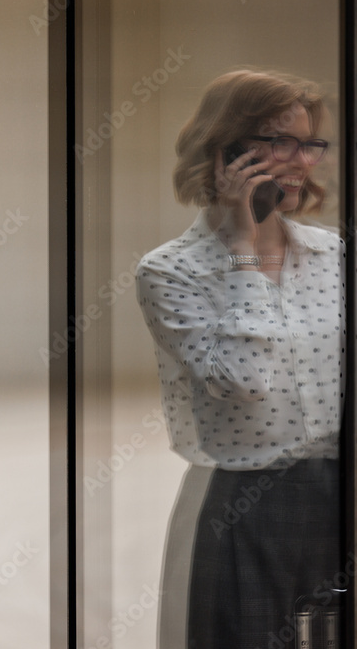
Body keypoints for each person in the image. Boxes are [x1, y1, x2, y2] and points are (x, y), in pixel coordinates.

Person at [136, 69, 343, 648]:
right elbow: (244, 382)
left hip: (339, 493)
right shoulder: (170, 271)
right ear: (225, 151)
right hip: (243, 506)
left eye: (309, 144)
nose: (301, 161)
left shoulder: (334, 257)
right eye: (280, 142)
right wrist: (243, 254)